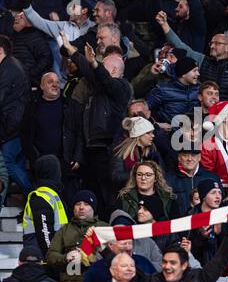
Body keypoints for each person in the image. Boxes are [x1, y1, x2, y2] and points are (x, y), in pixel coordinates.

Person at [61, 31, 131, 221]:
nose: (97, 69)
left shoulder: (122, 87)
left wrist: (93, 63)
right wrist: (71, 50)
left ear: (115, 71)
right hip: (92, 150)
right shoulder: (98, 85)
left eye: (102, 66)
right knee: (94, 198)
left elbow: (104, 78)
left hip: (109, 151)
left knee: (108, 199)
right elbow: (87, 68)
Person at [20, 72, 84, 202]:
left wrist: (78, 156)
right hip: (41, 163)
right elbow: (25, 135)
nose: (55, 84)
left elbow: (80, 133)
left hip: (66, 163)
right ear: (42, 86)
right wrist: (34, 158)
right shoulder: (32, 106)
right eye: (50, 82)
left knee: (66, 202)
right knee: (44, 202)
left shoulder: (70, 105)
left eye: (57, 81)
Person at [156, 11, 228, 102]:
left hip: (227, 112)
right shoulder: (202, 60)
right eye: (211, 43)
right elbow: (179, 45)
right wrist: (164, 24)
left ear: (227, 47)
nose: (212, 46)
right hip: (200, 110)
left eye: (217, 43)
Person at [46, 190, 109, 282]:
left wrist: (93, 257)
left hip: (99, 281)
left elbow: (117, 256)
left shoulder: (104, 228)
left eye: (86, 204)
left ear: (93, 208)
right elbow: (50, 256)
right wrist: (66, 257)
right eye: (78, 204)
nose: (81, 207)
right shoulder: (64, 230)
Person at [0, 35, 32, 196]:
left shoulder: (7, 70)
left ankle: (32, 194)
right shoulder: (13, 65)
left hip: (13, 127)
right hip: (20, 125)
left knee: (6, 162)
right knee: (15, 165)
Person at [22, 155, 68, 257]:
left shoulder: (52, 194)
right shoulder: (41, 196)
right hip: (41, 257)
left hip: (51, 253)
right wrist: (50, 257)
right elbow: (45, 233)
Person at [166, 145, 221, 216]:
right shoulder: (168, 179)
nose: (189, 159)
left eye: (193, 155)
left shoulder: (212, 177)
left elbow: (220, 204)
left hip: (207, 223)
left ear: (199, 157)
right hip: (180, 225)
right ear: (179, 157)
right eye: (185, 155)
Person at [146, 56, 200, 124]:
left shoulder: (198, 88)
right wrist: (157, 125)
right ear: (183, 74)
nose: (198, 74)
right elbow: (144, 109)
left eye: (198, 70)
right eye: (194, 71)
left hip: (193, 131)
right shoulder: (162, 90)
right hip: (169, 132)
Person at [112, 117, 158, 193]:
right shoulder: (120, 152)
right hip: (127, 195)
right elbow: (116, 177)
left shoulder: (152, 151)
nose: (153, 135)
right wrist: (137, 173)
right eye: (148, 133)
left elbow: (160, 173)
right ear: (138, 135)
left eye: (152, 132)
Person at [187, 179, 227, 266]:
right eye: (213, 193)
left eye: (219, 192)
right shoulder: (191, 216)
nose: (218, 196)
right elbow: (187, 250)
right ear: (203, 196)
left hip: (221, 269)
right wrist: (202, 237)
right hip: (197, 268)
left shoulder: (225, 214)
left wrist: (219, 233)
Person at [11, 11, 53, 87]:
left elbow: (47, 58)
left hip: (30, 84)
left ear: (30, 22)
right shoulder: (12, 36)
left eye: (21, 17)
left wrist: (28, 74)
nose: (16, 18)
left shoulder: (34, 35)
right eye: (16, 16)